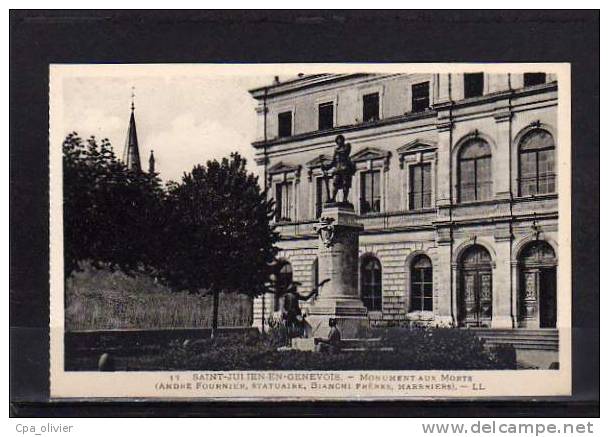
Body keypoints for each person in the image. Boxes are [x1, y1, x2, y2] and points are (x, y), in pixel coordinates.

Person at [321, 134, 356, 204]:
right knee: (335, 183)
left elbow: (346, 151)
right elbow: (333, 162)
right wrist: (326, 167)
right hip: (337, 169)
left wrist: (337, 151)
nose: (339, 142)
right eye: (337, 140)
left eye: (340, 140)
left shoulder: (346, 146)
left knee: (345, 184)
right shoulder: (336, 151)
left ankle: (345, 199)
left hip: (345, 169)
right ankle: (333, 198)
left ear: (342, 140)